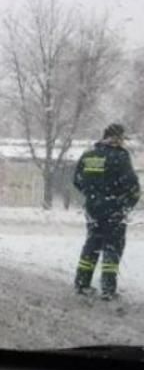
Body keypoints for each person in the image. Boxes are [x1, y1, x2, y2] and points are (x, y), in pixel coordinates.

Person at [73, 123, 140, 300]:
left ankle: (82, 283)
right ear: (117, 138)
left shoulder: (89, 155)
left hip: (93, 209)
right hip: (113, 210)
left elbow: (77, 180)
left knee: (92, 245)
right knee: (112, 247)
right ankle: (108, 289)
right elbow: (132, 185)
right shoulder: (119, 157)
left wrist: (93, 196)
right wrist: (126, 204)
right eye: (121, 138)